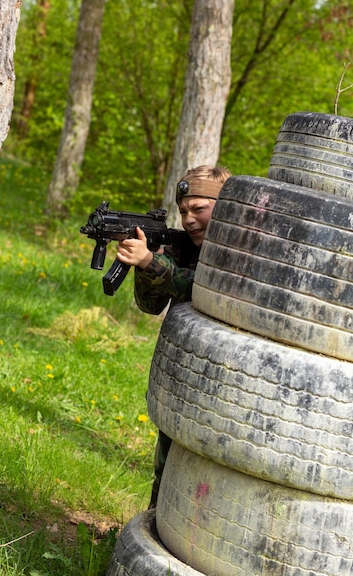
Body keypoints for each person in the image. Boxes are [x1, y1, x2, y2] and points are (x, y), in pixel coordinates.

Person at [116, 164, 231, 507]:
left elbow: (206, 288)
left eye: (199, 209)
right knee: (165, 464)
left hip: (221, 376)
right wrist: (145, 264)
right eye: (183, 211)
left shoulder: (238, 247)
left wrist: (152, 262)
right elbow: (151, 306)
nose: (189, 219)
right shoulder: (183, 246)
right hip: (182, 369)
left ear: (224, 206)